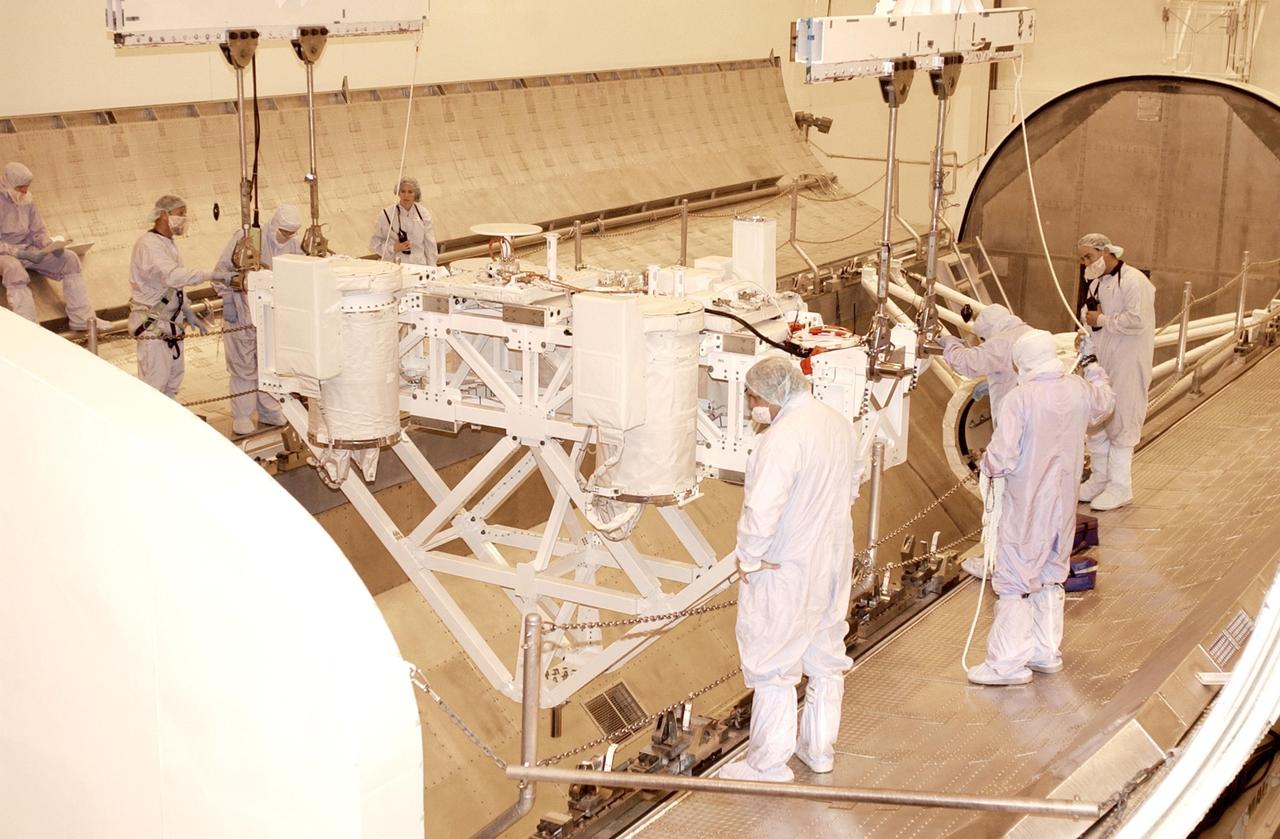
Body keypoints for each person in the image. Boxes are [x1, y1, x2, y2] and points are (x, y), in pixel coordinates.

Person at [719, 357, 862, 782]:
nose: (751, 406)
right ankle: (819, 750)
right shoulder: (837, 422)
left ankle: (768, 762)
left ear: (772, 394)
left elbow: (763, 507)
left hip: (786, 565)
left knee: (773, 663)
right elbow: (852, 484)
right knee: (825, 655)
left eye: (752, 397)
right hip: (832, 556)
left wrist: (748, 556)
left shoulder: (780, 438)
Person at [967, 330, 1115, 686]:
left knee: (1015, 581)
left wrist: (985, 467)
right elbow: (1105, 401)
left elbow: (1001, 457)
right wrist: (1093, 365)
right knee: (1051, 572)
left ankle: (1006, 664)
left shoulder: (1021, 399)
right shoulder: (1077, 388)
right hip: (1062, 503)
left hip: (1026, 504)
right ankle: (1046, 651)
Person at [1075, 233, 1156, 512]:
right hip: (1103, 361)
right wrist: (1085, 333)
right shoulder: (1097, 283)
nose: (1086, 263)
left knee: (1123, 417)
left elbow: (1138, 320)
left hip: (1128, 361)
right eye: (1083, 259)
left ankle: (1121, 486)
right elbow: (1089, 315)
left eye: (1089, 256)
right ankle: (1101, 478)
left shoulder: (1134, 281)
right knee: (1097, 416)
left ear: (1105, 251)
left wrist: (1102, 320)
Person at [129, 195, 233, 398]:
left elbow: (172, 286)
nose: (185, 219)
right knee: (154, 386)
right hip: (153, 327)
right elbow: (173, 275)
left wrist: (186, 310)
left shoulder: (167, 244)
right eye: (181, 214)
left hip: (169, 325)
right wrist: (213, 275)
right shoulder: (148, 245)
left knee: (172, 382)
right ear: (165, 214)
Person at [212, 205, 301, 434]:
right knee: (243, 367)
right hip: (242, 314)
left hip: (272, 316)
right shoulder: (249, 239)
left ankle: (269, 409)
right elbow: (220, 274)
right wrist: (234, 295)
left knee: (269, 364)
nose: (288, 237)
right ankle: (241, 415)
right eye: (284, 232)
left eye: (292, 233)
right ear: (274, 225)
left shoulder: (292, 245)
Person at [0, 162, 109, 331]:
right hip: (4, 253)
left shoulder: (26, 199)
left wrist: (49, 245)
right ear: (9, 183)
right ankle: (28, 329)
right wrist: (20, 254)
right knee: (15, 270)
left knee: (70, 259)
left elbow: (37, 231)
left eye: (27, 187)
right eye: (21, 187)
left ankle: (82, 319)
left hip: (28, 250)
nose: (24, 191)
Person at [939, 304, 1034, 425]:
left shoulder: (1001, 343)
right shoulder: (1030, 331)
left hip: (1017, 420)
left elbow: (964, 362)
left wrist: (949, 342)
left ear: (989, 330)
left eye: (984, 338)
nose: (985, 342)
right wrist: (992, 383)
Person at [369, 177, 437, 266]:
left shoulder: (424, 214)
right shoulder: (386, 215)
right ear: (398, 193)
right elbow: (374, 244)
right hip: (395, 267)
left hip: (419, 267)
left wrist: (432, 269)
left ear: (415, 194)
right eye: (403, 191)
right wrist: (393, 248)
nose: (406, 195)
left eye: (410, 192)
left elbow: (430, 246)